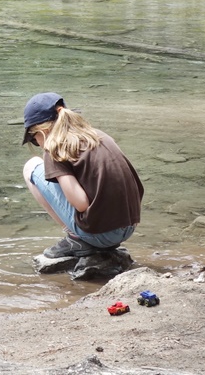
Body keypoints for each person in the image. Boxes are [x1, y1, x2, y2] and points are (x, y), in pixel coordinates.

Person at [20, 92, 143, 267]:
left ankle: (75, 238)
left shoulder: (55, 146)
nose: (37, 143)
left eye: (33, 138)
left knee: (31, 166)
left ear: (42, 131)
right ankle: (87, 237)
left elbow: (82, 204)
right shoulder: (98, 135)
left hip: (102, 236)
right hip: (129, 227)